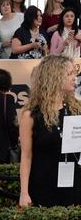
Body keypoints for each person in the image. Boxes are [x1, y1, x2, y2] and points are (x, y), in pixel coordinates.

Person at [19, 54, 81, 207]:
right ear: (54, 76)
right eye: (70, 73)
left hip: (74, 186)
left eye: (75, 73)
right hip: (43, 188)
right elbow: (26, 157)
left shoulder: (77, 109)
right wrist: (24, 193)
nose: (75, 78)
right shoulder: (31, 115)